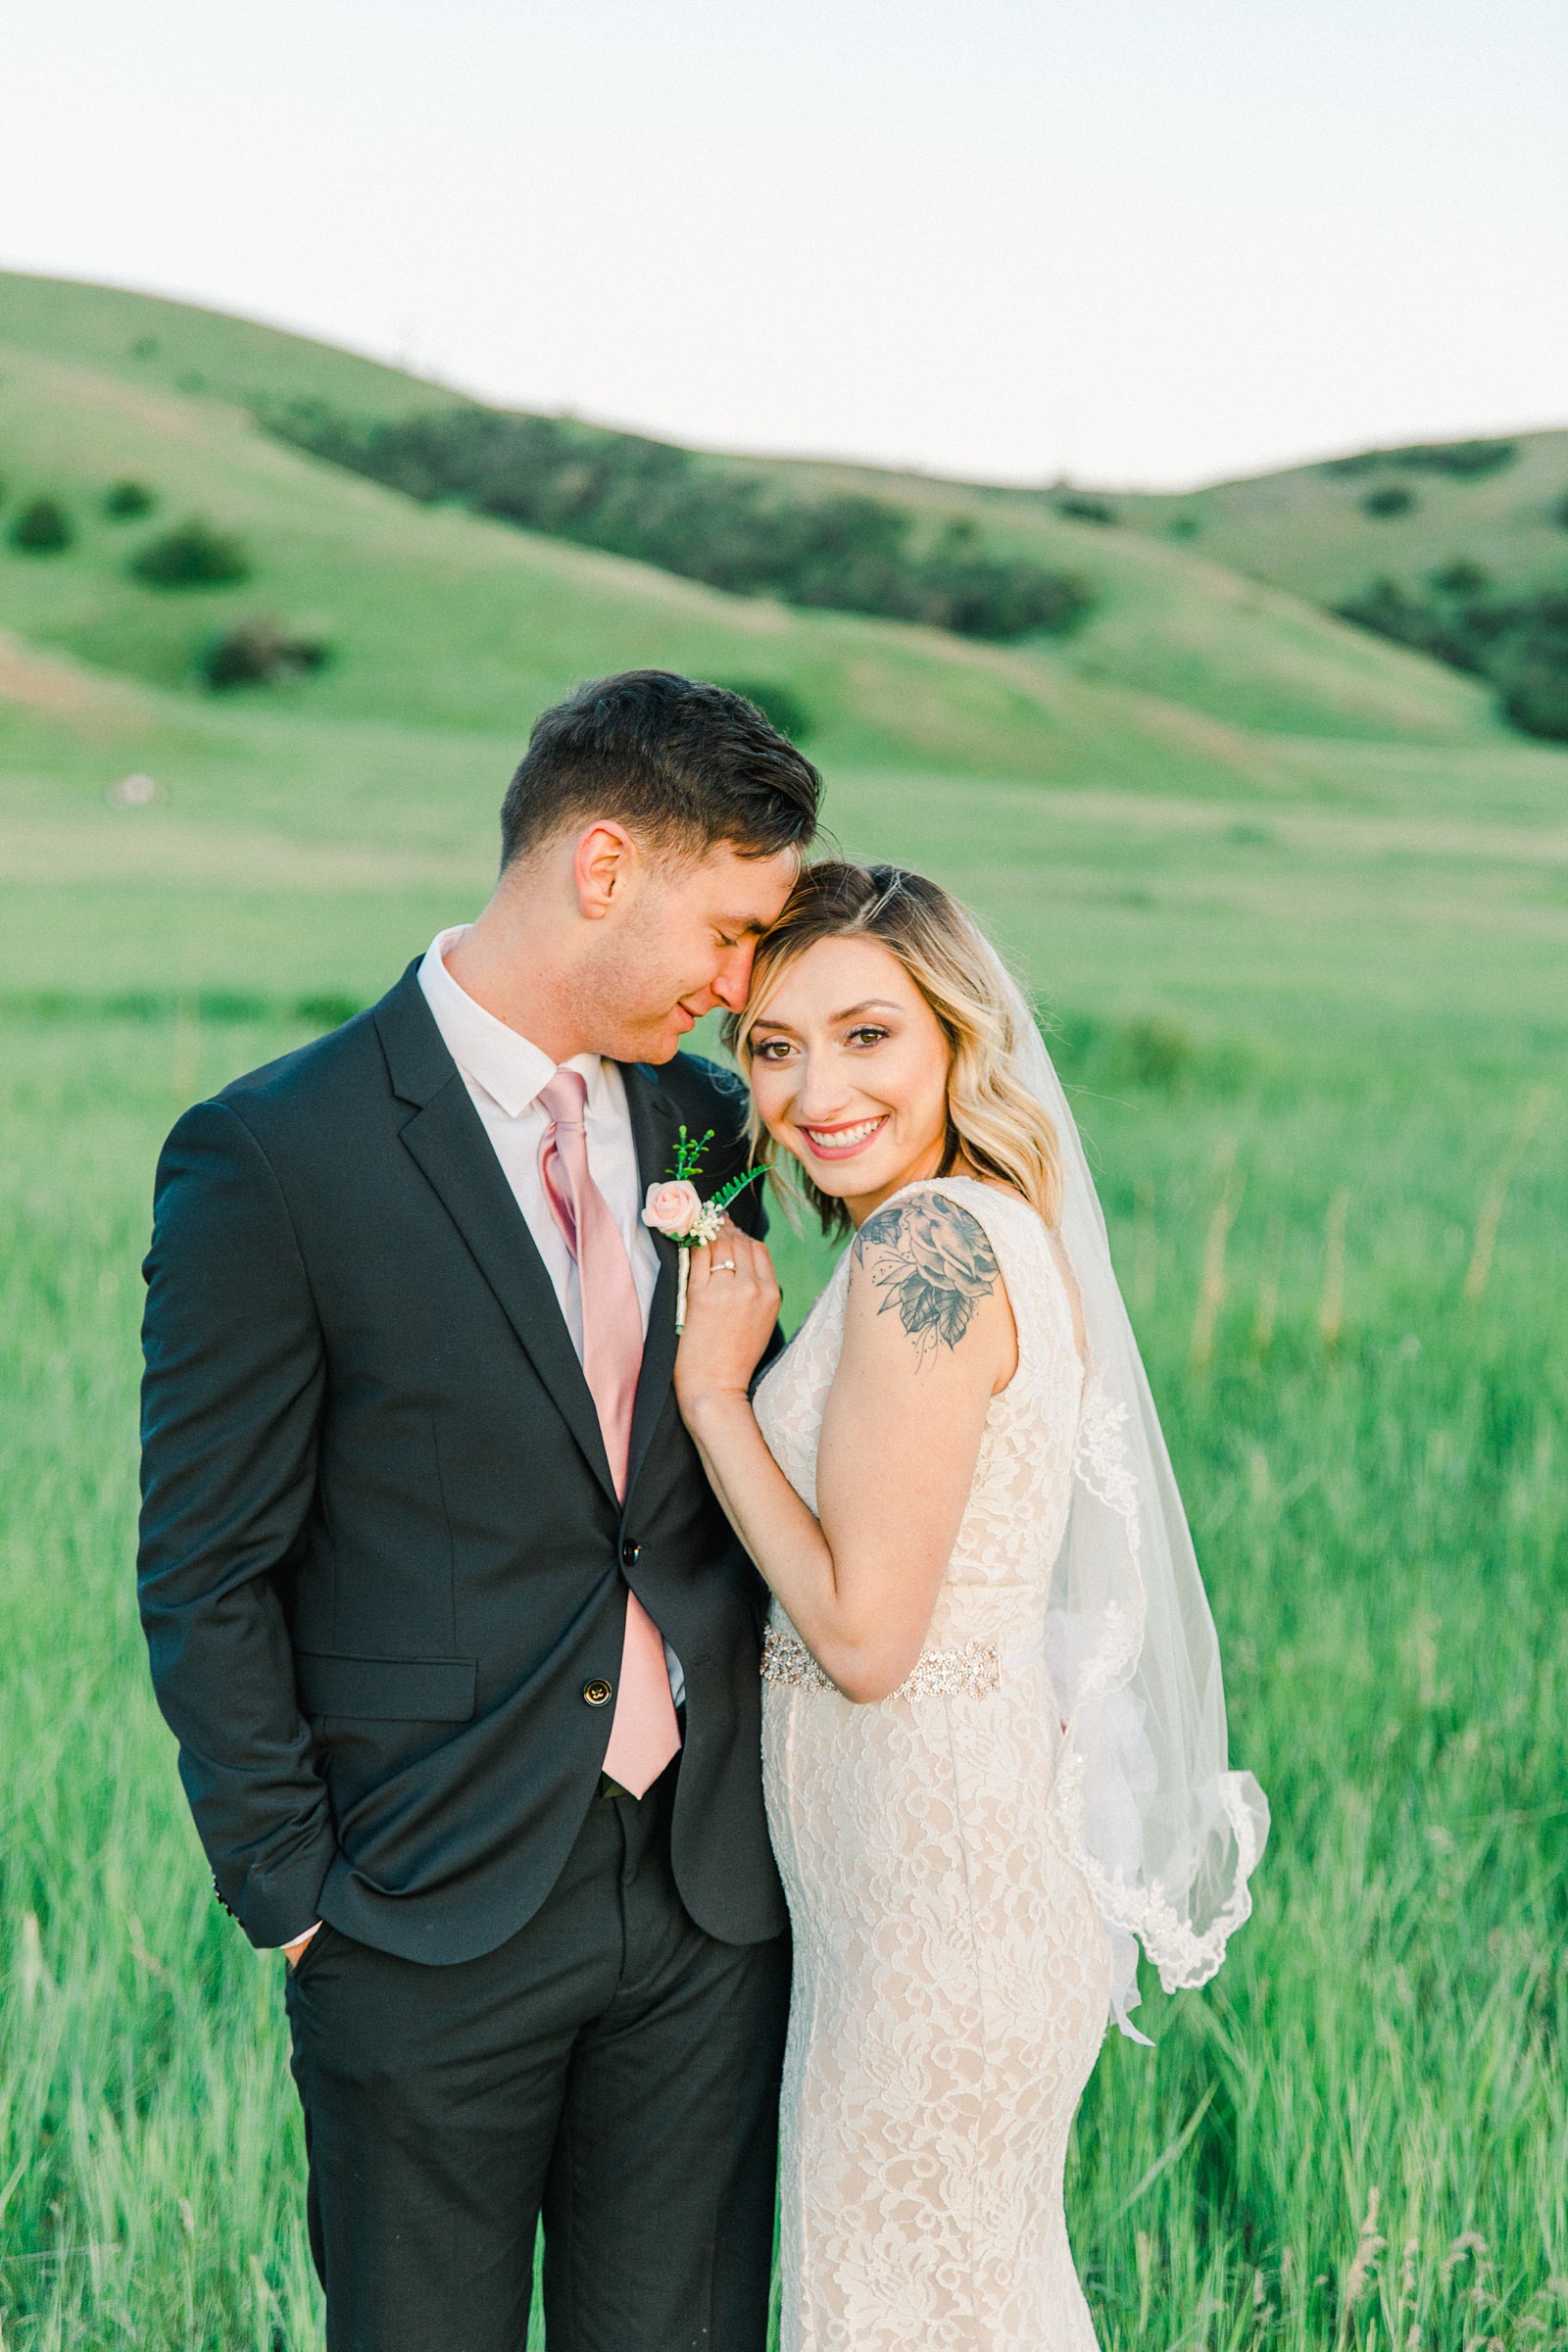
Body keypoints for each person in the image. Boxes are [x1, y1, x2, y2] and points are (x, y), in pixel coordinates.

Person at [136, 672, 820, 2352]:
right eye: (729, 931)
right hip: (419, 1912)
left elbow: (714, 1477)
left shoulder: (705, 1123)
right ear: (603, 867)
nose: (741, 990)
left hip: (708, 1896)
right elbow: (205, 1569)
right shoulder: (275, 1154)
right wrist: (296, 1901)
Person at [673, 860, 1268, 2352]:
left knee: (890, 2306)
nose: (816, 1090)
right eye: (775, 1045)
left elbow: (867, 1640)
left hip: (937, 1903)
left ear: (956, 1035)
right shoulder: (992, 1223)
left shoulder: (924, 1247)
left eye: (868, 1034)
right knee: (961, 2301)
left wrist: (710, 1395)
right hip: (930, 1886)